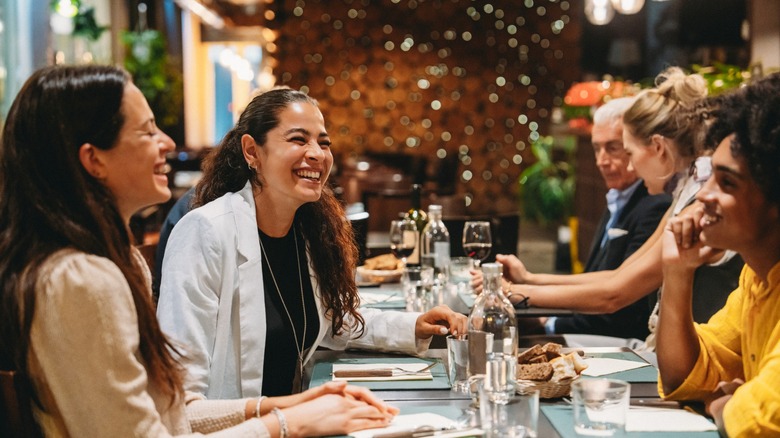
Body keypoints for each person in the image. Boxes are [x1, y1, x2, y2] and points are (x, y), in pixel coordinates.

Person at [0, 65, 397, 436]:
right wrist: (286, 421)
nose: (168, 142)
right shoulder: (79, 280)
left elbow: (175, 411)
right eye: (148, 130)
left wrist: (290, 405)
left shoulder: (121, 262)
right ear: (94, 160)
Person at [156, 88, 467, 398]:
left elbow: (333, 322)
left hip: (294, 418)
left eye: (324, 142)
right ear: (252, 151)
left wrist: (413, 325)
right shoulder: (205, 232)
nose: (317, 153)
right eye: (298, 139)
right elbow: (181, 393)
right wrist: (289, 417)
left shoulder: (305, 231)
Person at [476, 67, 742, 347]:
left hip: (700, 354)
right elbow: (618, 276)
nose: (630, 166)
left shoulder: (697, 202)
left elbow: (614, 294)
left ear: (659, 147)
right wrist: (527, 280)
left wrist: (513, 292)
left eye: (628, 152)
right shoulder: (684, 194)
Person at [656, 73, 780, 436]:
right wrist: (677, 272)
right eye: (709, 177)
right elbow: (686, 375)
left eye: (727, 182)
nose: (704, 195)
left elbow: (758, 418)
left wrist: (722, 403)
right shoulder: (757, 278)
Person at [542, 97, 672, 340]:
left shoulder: (657, 204)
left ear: (656, 147)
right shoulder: (618, 197)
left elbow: (618, 299)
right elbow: (605, 280)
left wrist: (539, 312)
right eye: (596, 148)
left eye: (614, 148)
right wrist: (526, 285)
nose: (601, 160)